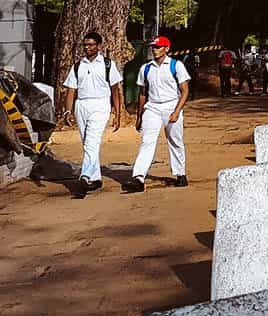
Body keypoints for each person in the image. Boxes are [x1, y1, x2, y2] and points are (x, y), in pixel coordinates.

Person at [124, 35, 190, 192]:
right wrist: (140, 116)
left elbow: (185, 90)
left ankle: (180, 174)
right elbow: (142, 93)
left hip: (171, 105)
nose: (154, 50)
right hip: (152, 108)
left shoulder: (176, 66)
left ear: (166, 49)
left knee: (175, 141)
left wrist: (176, 111)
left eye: (158, 47)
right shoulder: (146, 68)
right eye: (153, 47)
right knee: (147, 141)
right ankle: (138, 177)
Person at [62, 31, 122, 196]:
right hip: (81, 105)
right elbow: (71, 90)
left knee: (92, 142)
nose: (87, 48)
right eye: (85, 45)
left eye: (91, 45)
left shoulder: (108, 64)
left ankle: (85, 176)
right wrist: (68, 110)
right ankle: (96, 179)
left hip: (101, 104)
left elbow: (115, 91)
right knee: (87, 143)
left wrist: (117, 113)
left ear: (99, 46)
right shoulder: (77, 66)